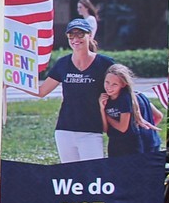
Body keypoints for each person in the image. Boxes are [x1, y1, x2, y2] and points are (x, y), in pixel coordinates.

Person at [37, 18, 115, 163]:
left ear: (89, 35)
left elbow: (123, 88)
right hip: (64, 130)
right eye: (71, 35)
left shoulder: (105, 63)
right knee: (70, 174)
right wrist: (14, 83)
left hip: (91, 131)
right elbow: (42, 91)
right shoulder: (63, 63)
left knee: (93, 173)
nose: (75, 39)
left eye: (80, 34)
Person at [100, 63, 161, 157]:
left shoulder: (126, 98)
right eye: (107, 82)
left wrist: (106, 115)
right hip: (142, 141)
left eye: (114, 84)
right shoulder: (137, 95)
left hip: (135, 145)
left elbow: (122, 128)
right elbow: (159, 116)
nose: (109, 87)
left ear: (123, 84)